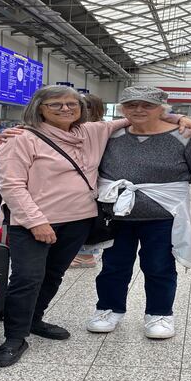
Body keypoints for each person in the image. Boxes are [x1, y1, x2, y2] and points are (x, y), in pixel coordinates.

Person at [0, 85, 191, 366]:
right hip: (33, 222)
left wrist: (179, 119)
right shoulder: (21, 139)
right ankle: (14, 338)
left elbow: (138, 116)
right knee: (27, 277)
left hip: (78, 220)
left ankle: (34, 320)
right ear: (39, 108)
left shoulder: (91, 131)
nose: (65, 109)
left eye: (72, 104)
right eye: (56, 105)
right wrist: (37, 222)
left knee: (53, 274)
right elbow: (12, 186)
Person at [85, 86, 191, 339]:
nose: (139, 110)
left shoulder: (185, 136)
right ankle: (108, 309)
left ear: (161, 109)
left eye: (147, 105)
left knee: (159, 266)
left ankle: (159, 314)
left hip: (163, 217)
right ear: (122, 109)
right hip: (117, 217)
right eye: (131, 105)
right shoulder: (110, 135)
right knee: (113, 266)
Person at [71, 93, 107, 269]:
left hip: (92, 183)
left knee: (86, 218)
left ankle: (86, 254)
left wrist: (179, 118)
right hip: (77, 185)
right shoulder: (70, 127)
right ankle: (83, 253)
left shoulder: (100, 128)